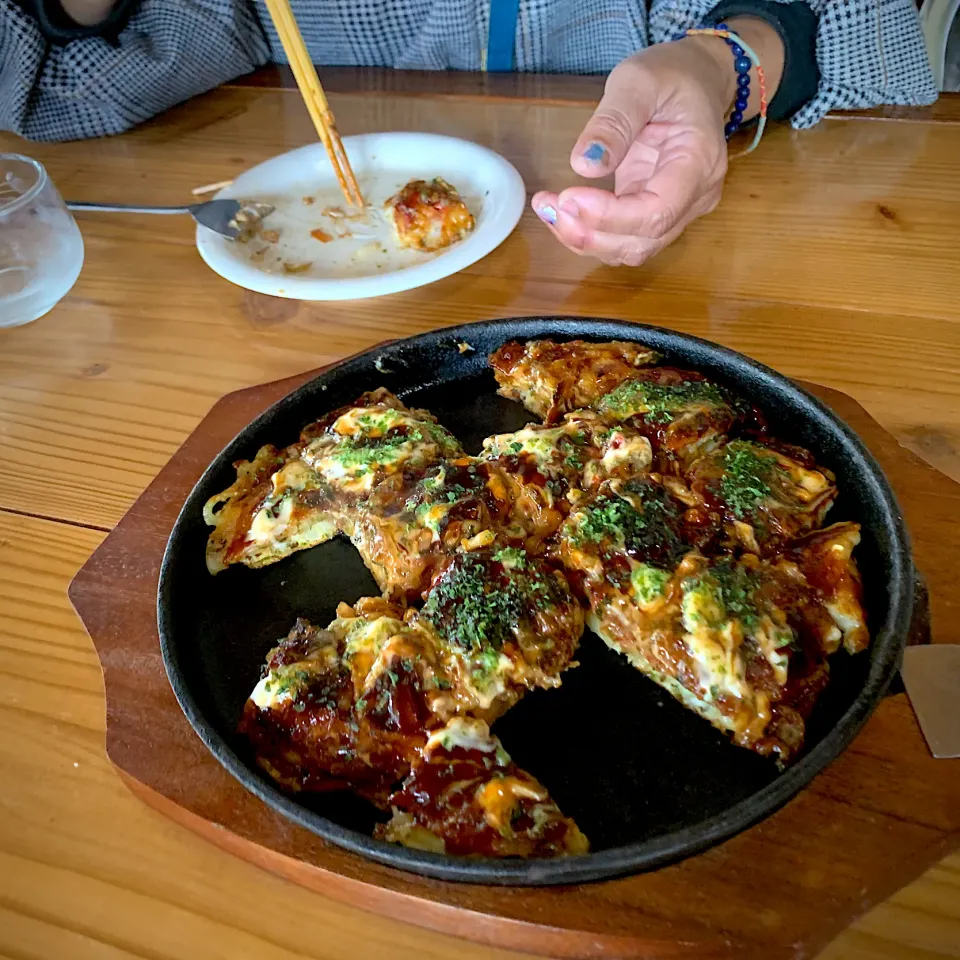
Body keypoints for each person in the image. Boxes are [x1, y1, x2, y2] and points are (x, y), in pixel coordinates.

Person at [1, 1, 936, 266]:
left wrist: (731, 58)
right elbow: (68, 92)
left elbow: (882, 41)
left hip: (733, 248)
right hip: (305, 332)